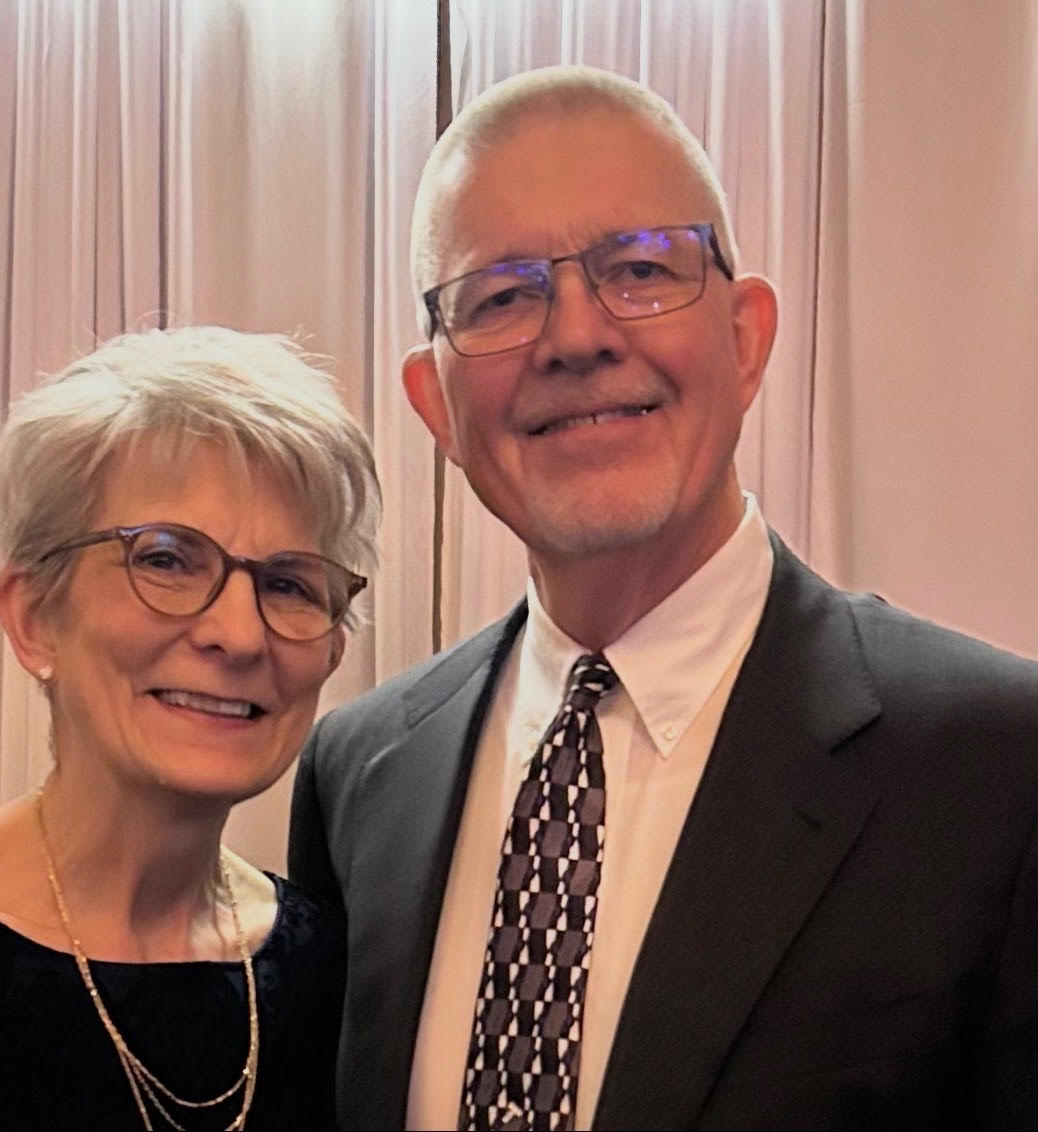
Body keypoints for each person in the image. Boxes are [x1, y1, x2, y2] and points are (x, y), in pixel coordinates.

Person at [289, 65, 1038, 1131]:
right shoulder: (358, 774)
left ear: (745, 338)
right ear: (436, 403)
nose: (578, 334)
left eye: (639, 269)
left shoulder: (998, 768)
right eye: (501, 296)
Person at [0, 325, 380, 1130]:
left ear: (332, 645)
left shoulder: (331, 972)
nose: (239, 633)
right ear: (34, 618)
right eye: (165, 558)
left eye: (290, 583)